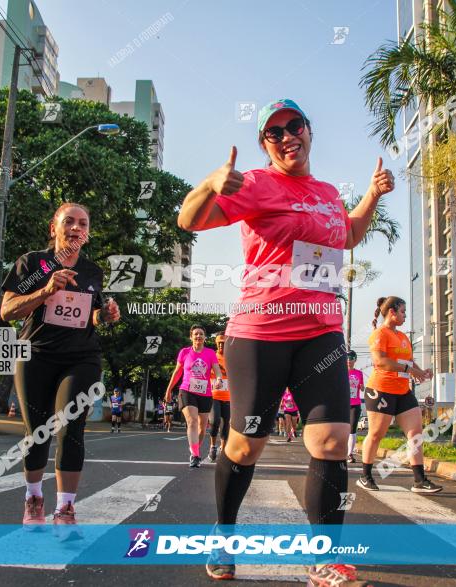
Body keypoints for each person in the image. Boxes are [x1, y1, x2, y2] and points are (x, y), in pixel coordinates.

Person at [178, 98, 394, 584]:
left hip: (321, 332)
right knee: (245, 446)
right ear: (265, 145)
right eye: (274, 132)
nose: (286, 136)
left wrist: (374, 195)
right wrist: (210, 183)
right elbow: (189, 221)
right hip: (261, 332)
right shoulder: (256, 183)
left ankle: (324, 557)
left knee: (333, 441)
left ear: (309, 130)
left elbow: (349, 235)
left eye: (294, 125)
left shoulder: (324, 192)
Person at [0, 203, 120, 528]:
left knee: (71, 430)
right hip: (36, 354)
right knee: (37, 433)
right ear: (54, 227)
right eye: (69, 221)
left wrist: (104, 315)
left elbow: (90, 317)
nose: (76, 228)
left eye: (83, 223)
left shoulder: (93, 272)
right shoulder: (31, 263)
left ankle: (65, 508)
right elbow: (7, 310)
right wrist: (46, 289)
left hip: (81, 357)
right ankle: (33, 497)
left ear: (88, 233)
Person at [358, 297, 440, 493]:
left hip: (403, 391)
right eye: (403, 311)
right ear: (392, 312)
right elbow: (380, 361)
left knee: (415, 434)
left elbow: (409, 360)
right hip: (381, 390)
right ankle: (365, 475)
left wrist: (421, 372)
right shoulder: (380, 334)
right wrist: (410, 370)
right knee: (377, 434)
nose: (405, 316)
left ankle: (420, 480)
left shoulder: (403, 336)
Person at [164, 325, 223, 468]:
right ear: (191, 337)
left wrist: (219, 379)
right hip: (187, 391)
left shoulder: (210, 353)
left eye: (201, 334)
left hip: (205, 393)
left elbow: (216, 370)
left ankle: (195, 448)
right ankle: (195, 455)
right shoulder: (184, 352)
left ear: (204, 337)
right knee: (192, 421)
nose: (198, 336)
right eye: (196, 334)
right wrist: (169, 390)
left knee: (203, 427)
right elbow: (177, 372)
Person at [209, 334, 231, 462]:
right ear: (216, 343)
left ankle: (223, 448)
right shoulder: (212, 357)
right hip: (214, 395)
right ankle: (212, 446)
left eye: (224, 342)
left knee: (226, 424)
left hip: (228, 397)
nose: (221, 344)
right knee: (215, 420)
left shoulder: (232, 357)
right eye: (219, 342)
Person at [346, 350, 365, 464]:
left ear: (355, 360)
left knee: (352, 429)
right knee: (342, 429)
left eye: (351, 358)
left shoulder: (359, 373)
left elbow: (362, 388)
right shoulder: (340, 372)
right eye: (347, 358)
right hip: (343, 404)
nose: (349, 360)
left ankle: (350, 454)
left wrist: (362, 386)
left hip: (355, 404)